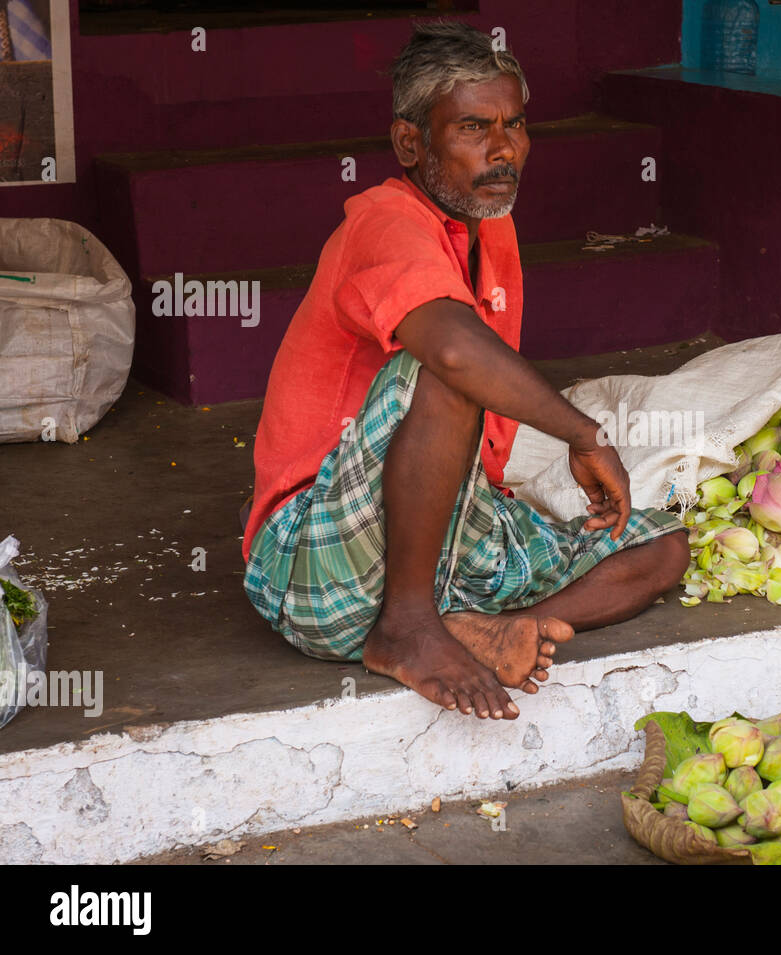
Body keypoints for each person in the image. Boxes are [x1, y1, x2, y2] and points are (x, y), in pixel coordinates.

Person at [242, 21, 690, 723]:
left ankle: (474, 629)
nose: (504, 148)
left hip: (448, 543)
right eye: (474, 128)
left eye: (515, 124)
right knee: (450, 365)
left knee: (660, 547)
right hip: (318, 558)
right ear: (410, 143)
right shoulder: (385, 221)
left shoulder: (493, 228)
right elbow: (453, 353)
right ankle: (407, 627)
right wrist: (583, 434)